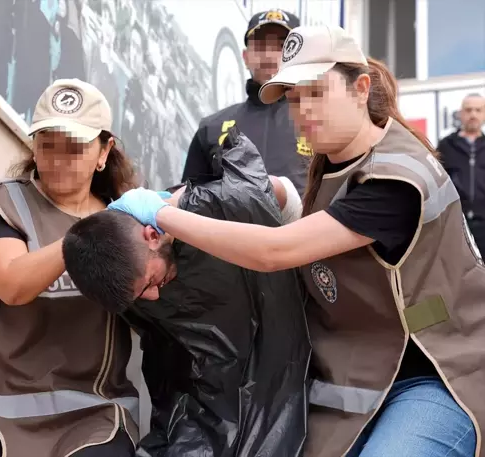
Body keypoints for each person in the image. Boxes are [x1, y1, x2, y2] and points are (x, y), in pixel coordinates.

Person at [107, 25, 484, 457]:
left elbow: (276, 251)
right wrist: (272, 191)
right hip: (358, 378)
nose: (302, 110)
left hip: (436, 371)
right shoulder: (333, 161)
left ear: (360, 88)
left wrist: (160, 213)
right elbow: (318, 217)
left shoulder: (397, 178)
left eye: (316, 92)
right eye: (293, 98)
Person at [0, 79, 141, 457]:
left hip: (93, 409)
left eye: (74, 147)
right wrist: (84, 238)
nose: (57, 159)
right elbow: (12, 285)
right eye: (47, 144)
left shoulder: (127, 222)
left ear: (104, 151)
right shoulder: (3, 202)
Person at [61, 127, 309, 456]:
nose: (151, 298)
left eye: (149, 282)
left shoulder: (222, 204)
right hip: (206, 407)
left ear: (152, 235)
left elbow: (284, 201)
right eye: (139, 297)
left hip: (291, 379)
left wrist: (169, 212)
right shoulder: (129, 276)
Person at [181, 8, 310, 194]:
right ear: (245, 57)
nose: (269, 55)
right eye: (259, 46)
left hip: (306, 222)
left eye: (282, 46)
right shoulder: (211, 127)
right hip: (227, 223)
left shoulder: (320, 121)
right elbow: (187, 202)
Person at [438, 93, 485, 254]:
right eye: (469, 110)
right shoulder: (445, 146)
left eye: (478, 110)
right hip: (457, 225)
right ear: (460, 114)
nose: (473, 115)